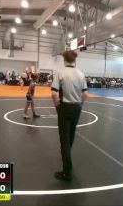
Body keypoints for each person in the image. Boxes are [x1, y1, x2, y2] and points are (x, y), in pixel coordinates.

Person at [51, 50, 88, 181]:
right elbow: (85, 94)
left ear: (64, 59)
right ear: (74, 60)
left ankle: (67, 171)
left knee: (64, 138)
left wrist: (58, 107)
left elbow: (54, 93)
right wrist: (80, 105)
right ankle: (66, 156)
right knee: (71, 135)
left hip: (65, 107)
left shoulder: (60, 73)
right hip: (77, 107)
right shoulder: (81, 74)